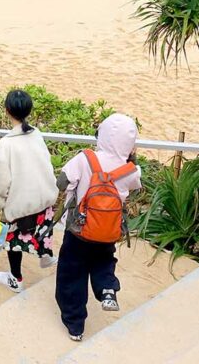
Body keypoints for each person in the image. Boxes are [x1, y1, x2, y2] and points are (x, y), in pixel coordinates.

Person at [55, 113, 142, 342]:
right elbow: (134, 187)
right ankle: (107, 290)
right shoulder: (130, 169)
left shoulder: (85, 158)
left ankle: (75, 326)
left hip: (78, 229)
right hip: (107, 231)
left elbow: (62, 182)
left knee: (72, 273)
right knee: (104, 261)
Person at [0, 90, 59, 294]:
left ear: (7, 111)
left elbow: (1, 182)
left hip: (21, 205)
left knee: (13, 241)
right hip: (44, 197)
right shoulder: (36, 134)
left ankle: (15, 279)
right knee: (41, 228)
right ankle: (46, 254)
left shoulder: (6, 144)